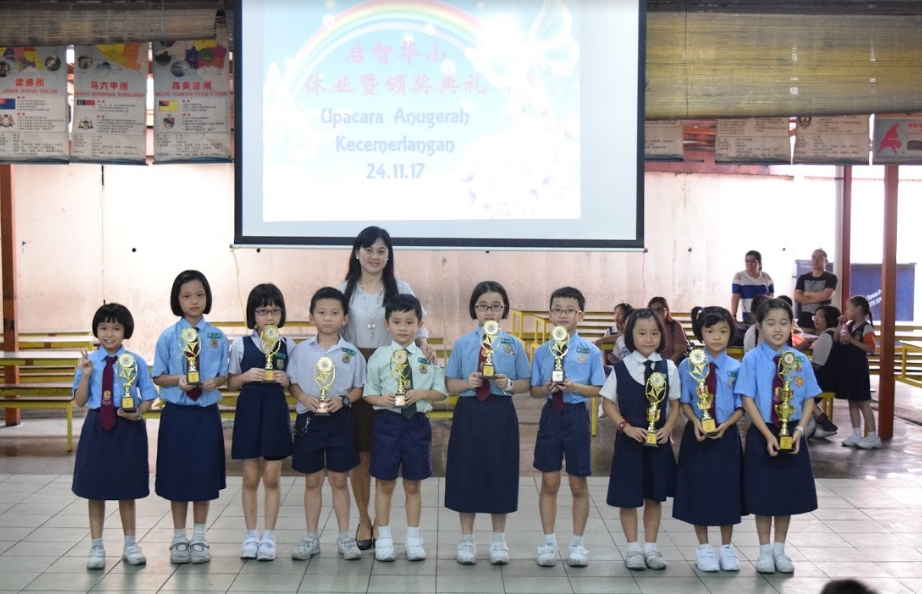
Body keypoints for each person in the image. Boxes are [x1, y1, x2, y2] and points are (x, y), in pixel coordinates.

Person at [337, 226, 435, 550]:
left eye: (381, 250)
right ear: (357, 253)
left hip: (392, 371)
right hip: (356, 372)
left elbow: (418, 323)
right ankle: (365, 520)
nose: (374, 256)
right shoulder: (344, 290)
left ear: (389, 255)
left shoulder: (400, 287)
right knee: (362, 453)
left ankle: (385, 526)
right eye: (368, 249)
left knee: (389, 452)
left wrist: (424, 343)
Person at [444, 281, 531, 565]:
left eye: (495, 306)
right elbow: (449, 383)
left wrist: (508, 384)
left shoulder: (513, 344)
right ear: (474, 309)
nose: (489, 312)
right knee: (465, 471)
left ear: (504, 310)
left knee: (500, 470)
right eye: (483, 306)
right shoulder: (463, 343)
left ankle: (498, 540)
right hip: (469, 411)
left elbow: (525, 383)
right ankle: (466, 539)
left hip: (500, 411)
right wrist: (466, 383)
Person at [736, 298, 819, 574]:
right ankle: (764, 551)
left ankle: (780, 550)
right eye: (771, 323)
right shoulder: (751, 359)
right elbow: (747, 399)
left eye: (784, 323)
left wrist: (800, 430)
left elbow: (809, 398)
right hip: (763, 431)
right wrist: (766, 434)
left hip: (792, 432)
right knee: (763, 493)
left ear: (792, 325)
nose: (778, 329)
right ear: (759, 326)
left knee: (785, 494)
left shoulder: (799, 360)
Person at [363, 293, 448, 562]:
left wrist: (422, 393)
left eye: (409, 322)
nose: (403, 328)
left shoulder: (426, 356)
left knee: (413, 484)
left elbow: (441, 392)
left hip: (416, 425)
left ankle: (413, 538)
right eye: (397, 322)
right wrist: (381, 400)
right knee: (385, 483)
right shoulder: (379, 357)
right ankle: (384, 537)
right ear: (386, 324)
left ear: (419, 324)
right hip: (387, 423)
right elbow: (368, 393)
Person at [72, 303, 157, 570]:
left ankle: (130, 544)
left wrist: (138, 413)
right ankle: (96, 546)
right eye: (104, 328)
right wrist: (85, 375)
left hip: (127, 426)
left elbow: (149, 396)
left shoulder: (135, 361)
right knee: (94, 489)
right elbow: (80, 401)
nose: (109, 334)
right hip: (97, 425)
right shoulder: (88, 362)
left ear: (125, 331)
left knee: (126, 488)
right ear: (96, 331)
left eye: (116, 328)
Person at [152, 270, 229, 565]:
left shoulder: (217, 336)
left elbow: (224, 375)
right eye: (186, 296)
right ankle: (178, 537)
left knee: (202, 475)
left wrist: (215, 382)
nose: (194, 301)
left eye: (199, 295)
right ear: (177, 300)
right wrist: (178, 380)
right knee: (177, 475)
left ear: (207, 297)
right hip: (177, 414)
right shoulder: (168, 337)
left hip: (205, 414)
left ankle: (199, 537)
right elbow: (158, 376)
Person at [288, 287, 366, 561]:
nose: (328, 318)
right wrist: (303, 397)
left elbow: (359, 388)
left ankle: (344, 537)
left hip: (340, 421)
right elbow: (292, 383)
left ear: (345, 319)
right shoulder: (301, 351)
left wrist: (343, 400)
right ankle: (311, 536)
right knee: (312, 480)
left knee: (339, 479)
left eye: (334, 313)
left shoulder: (351, 353)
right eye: (321, 312)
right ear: (311, 317)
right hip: (309, 420)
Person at [530, 286, 605, 568]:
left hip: (576, 415)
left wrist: (575, 387)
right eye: (558, 310)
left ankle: (577, 544)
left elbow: (598, 389)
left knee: (577, 482)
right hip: (551, 414)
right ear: (550, 314)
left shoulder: (591, 351)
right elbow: (534, 391)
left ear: (580, 315)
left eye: (570, 310)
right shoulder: (541, 351)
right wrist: (547, 388)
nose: (563, 315)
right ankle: (548, 543)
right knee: (549, 482)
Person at [600, 308, 679, 571]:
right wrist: (625, 427)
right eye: (642, 333)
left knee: (654, 497)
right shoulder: (621, 368)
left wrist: (667, 428)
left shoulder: (668, 367)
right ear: (630, 335)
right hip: (629, 442)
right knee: (628, 496)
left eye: (655, 333)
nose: (648, 339)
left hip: (658, 443)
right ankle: (633, 549)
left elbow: (675, 405)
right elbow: (607, 402)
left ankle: (651, 548)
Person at [227, 283, 295, 561]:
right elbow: (230, 382)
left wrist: (286, 380)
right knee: (250, 476)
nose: (269, 317)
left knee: (272, 477)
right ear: (252, 315)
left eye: (275, 311)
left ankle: (269, 535)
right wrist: (245, 377)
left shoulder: (289, 345)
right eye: (263, 311)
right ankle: (250, 534)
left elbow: (295, 385)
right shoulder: (240, 345)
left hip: (275, 410)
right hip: (249, 410)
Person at [672, 306, 744, 572]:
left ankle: (726, 547)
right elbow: (684, 401)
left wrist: (726, 425)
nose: (716, 336)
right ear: (700, 333)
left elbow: (742, 405)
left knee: (728, 490)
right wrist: (695, 422)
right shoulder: (688, 365)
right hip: (697, 435)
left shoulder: (737, 367)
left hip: (727, 435)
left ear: (730, 334)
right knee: (698, 489)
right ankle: (703, 547)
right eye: (710, 330)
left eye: (723, 331)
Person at [836, 296, 881, 449]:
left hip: (859, 368)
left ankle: (873, 436)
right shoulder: (849, 325)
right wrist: (840, 324)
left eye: (849, 308)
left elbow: (871, 349)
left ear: (858, 309)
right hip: (848, 367)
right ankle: (856, 434)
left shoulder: (867, 328)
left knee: (863, 402)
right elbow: (838, 339)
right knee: (852, 401)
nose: (846, 311)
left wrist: (852, 340)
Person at [808, 304, 842, 439]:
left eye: (821, 316)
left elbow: (817, 365)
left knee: (794, 389)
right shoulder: (837, 334)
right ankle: (819, 424)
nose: (816, 319)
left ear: (830, 318)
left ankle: (821, 424)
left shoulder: (826, 336)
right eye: (815, 316)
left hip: (824, 381)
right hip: (836, 379)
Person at [794, 249, 838, 332]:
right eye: (813, 257)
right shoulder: (803, 278)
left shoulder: (831, 278)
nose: (815, 260)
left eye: (819, 258)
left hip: (822, 325)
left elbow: (826, 296)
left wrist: (807, 293)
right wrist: (819, 297)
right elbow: (797, 297)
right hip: (804, 323)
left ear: (825, 261)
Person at [731, 250, 774, 325]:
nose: (749, 264)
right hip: (749, 314)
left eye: (753, 261)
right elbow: (735, 297)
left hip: (765, 313)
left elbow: (771, 296)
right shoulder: (740, 276)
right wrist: (733, 315)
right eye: (747, 261)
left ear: (759, 263)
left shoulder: (766, 277)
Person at [648, 297, 689, 364]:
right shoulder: (646, 326)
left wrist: (667, 365)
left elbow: (679, 351)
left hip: (671, 363)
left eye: (659, 309)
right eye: (653, 310)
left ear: (666, 310)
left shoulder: (675, 325)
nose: (656, 313)